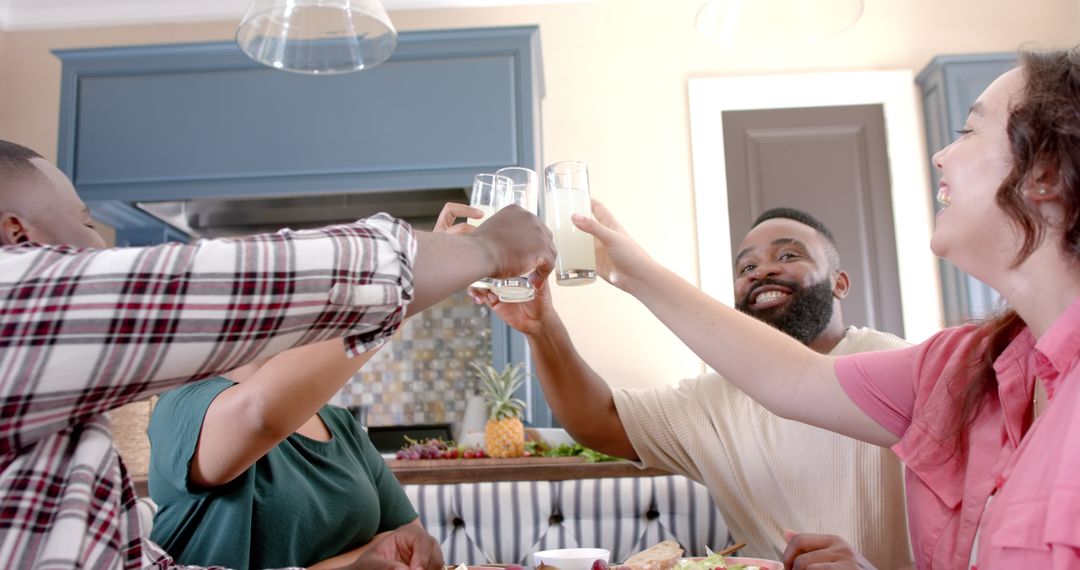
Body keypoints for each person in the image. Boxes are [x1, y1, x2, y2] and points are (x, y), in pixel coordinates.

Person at [559, 47, 1080, 568]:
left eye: (969, 132)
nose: (942, 155)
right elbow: (795, 381)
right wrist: (630, 270)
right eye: (746, 265)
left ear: (1046, 173)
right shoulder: (962, 368)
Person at [0, 140, 556, 569]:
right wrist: (474, 251)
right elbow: (260, 405)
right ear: (18, 239)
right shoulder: (19, 305)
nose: (100, 245)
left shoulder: (66, 429)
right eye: (85, 222)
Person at [469, 207, 912, 568]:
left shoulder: (896, 364)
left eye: (789, 256)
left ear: (840, 283)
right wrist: (542, 327)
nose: (762, 272)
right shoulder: (715, 400)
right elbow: (597, 420)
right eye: (748, 266)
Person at [146, 205, 480, 570]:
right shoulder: (180, 405)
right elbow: (259, 415)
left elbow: (407, 545)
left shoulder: (343, 428)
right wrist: (412, 276)